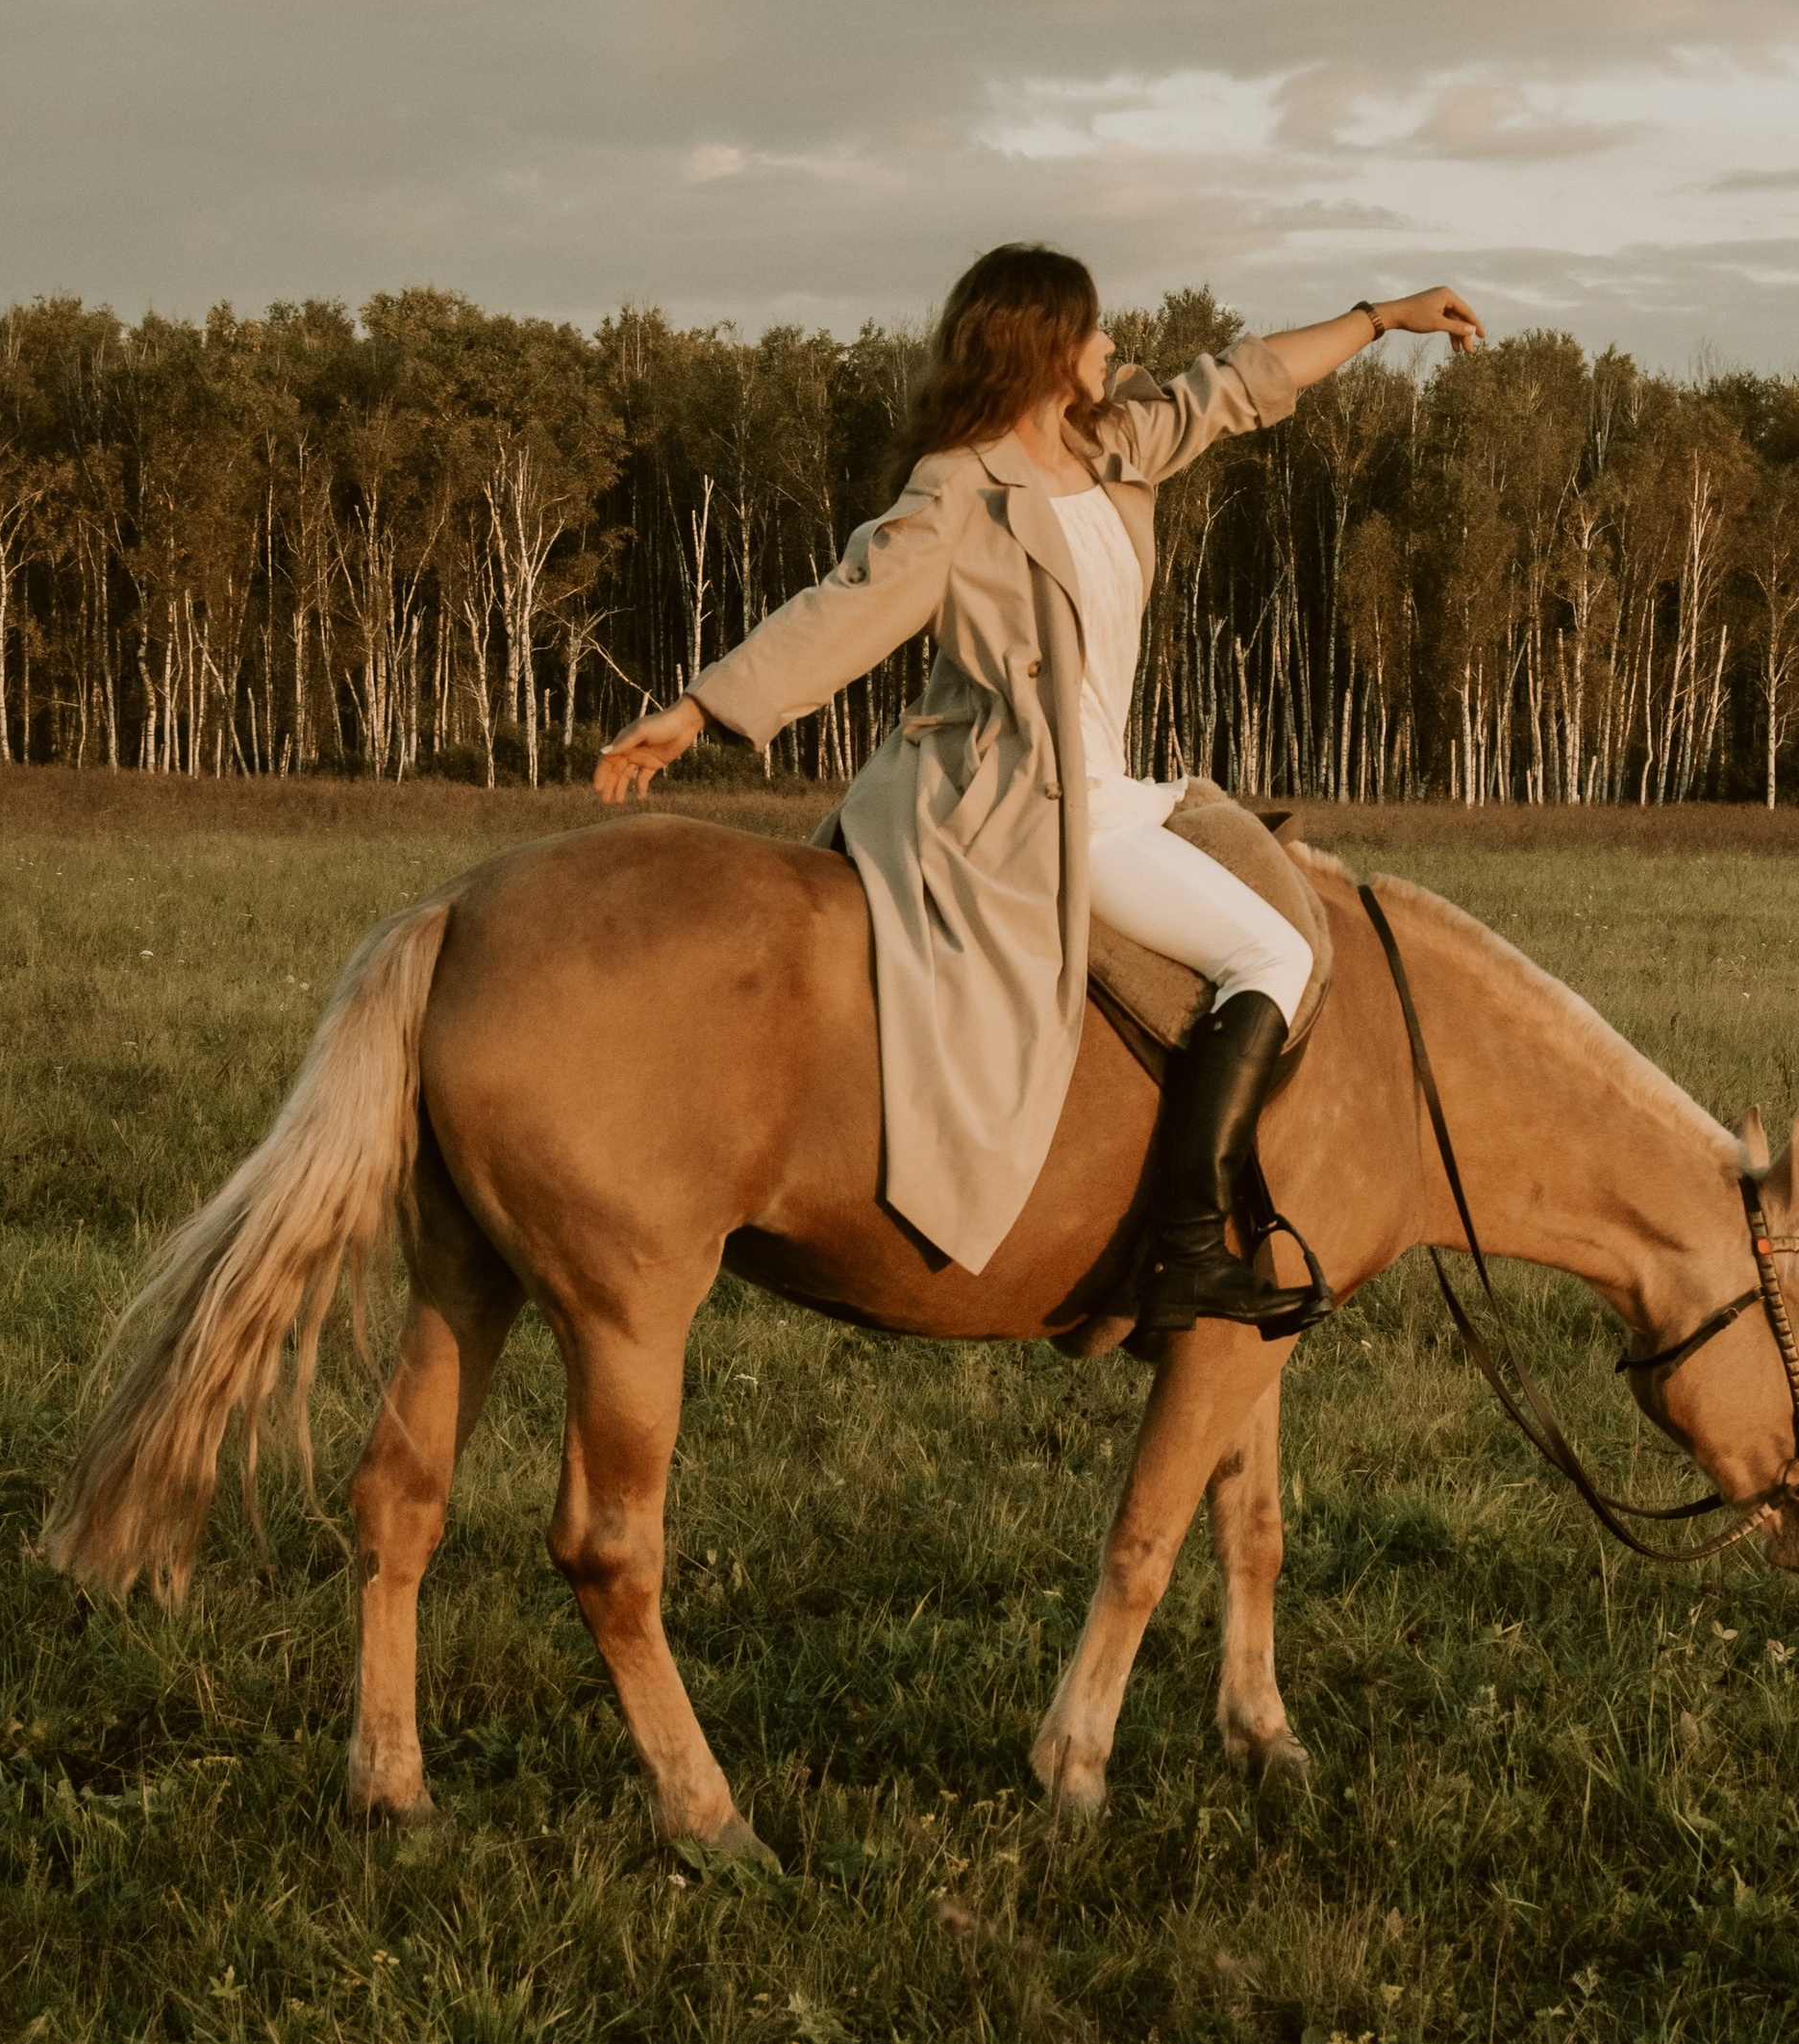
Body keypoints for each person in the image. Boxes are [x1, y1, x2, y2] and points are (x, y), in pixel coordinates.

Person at [595, 248, 1482, 1326]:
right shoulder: (959, 488)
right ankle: (1189, 1248)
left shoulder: (1109, 446)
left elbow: (1243, 384)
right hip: (1017, 801)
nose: (1114, 346)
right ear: (1051, 350)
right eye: (1096, 331)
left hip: (1110, 787)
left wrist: (1383, 318)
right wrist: (698, 710)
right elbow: (847, 608)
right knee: (1276, 953)